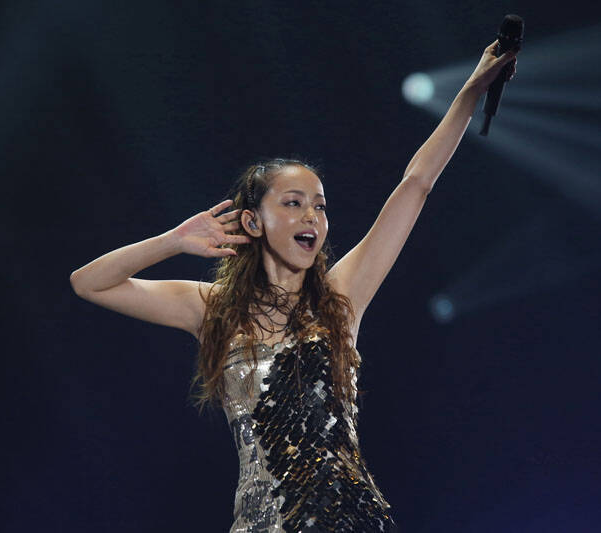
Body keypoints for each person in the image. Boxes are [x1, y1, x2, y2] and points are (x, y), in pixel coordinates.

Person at [70, 40, 518, 532]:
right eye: (293, 203)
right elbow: (90, 283)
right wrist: (172, 241)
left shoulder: (341, 298)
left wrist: (471, 91)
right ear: (252, 221)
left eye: (320, 206)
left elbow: (416, 183)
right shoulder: (211, 307)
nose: (311, 216)